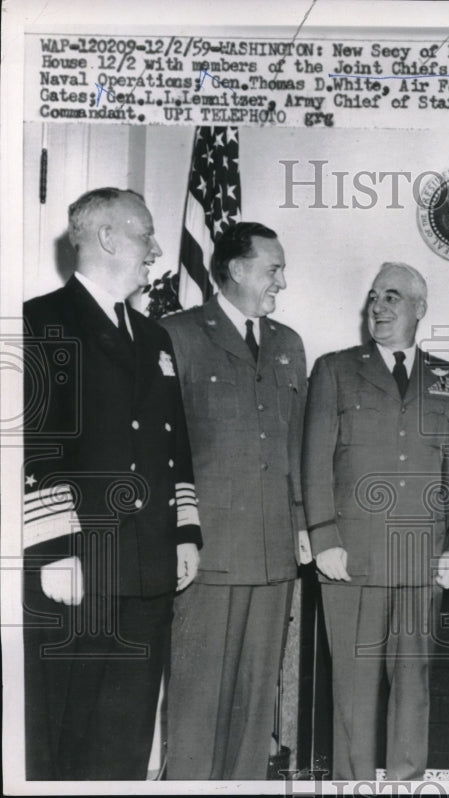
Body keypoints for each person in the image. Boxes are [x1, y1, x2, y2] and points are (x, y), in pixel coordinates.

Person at [21, 187, 201, 780]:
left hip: (146, 568)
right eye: (145, 234)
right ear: (106, 237)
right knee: (68, 737)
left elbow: (173, 446)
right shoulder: (42, 321)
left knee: (125, 742)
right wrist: (52, 550)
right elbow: (39, 442)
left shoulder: (153, 337)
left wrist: (185, 533)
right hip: (82, 565)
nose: (155, 248)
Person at [302, 262, 449, 780]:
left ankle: (406, 781)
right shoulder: (335, 369)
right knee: (352, 687)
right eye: (374, 296)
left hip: (421, 555)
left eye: (393, 297)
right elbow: (314, 460)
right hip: (351, 555)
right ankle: (351, 785)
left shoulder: (448, 378)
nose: (378, 306)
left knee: (413, 682)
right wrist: (324, 537)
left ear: (420, 307)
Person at [159, 222, 309, 779]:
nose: (282, 283)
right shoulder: (177, 334)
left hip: (274, 557)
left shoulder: (288, 344)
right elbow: (163, 448)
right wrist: (178, 533)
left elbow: (295, 444)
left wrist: (301, 525)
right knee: (198, 702)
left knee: (255, 702)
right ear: (238, 269)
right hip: (209, 552)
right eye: (274, 269)